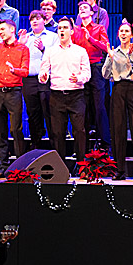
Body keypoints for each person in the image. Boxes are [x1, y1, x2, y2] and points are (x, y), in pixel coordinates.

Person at [38, 17, 91, 165]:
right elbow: (43, 71)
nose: (61, 30)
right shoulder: (50, 51)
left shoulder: (80, 51)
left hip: (76, 95)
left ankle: (81, 165)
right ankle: (60, 167)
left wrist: (79, 78)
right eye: (59, 28)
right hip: (56, 95)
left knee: (79, 131)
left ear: (71, 31)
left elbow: (87, 73)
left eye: (65, 28)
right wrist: (43, 77)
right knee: (58, 132)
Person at [0, 20, 29, 177]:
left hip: (14, 92)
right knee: (0, 131)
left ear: (12, 30)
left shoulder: (23, 49)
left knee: (16, 129)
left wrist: (14, 70)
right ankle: (3, 165)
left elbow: (25, 71)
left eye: (3, 29)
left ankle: (19, 167)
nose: (0, 32)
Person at [102, 21, 133, 179]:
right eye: (121, 31)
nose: (124, 33)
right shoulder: (114, 51)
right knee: (118, 129)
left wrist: (130, 58)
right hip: (119, 89)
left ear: (132, 34)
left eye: (127, 31)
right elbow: (105, 75)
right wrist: (110, 58)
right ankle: (120, 170)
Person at [73, 1, 111, 151]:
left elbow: (106, 47)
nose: (81, 9)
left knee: (99, 106)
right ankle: (84, 146)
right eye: (80, 8)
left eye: (85, 8)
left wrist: (91, 39)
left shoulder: (99, 28)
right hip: (81, 70)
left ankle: (105, 144)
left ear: (92, 13)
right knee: (83, 107)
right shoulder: (75, 30)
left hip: (96, 68)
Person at [18, 10, 57, 149]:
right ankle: (36, 142)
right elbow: (18, 57)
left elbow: (56, 56)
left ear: (44, 21)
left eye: (37, 18)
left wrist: (43, 48)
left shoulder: (53, 37)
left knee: (48, 110)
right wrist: (21, 44)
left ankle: (54, 143)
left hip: (45, 79)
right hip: (29, 79)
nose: (34, 21)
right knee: (32, 112)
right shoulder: (26, 37)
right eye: (32, 19)